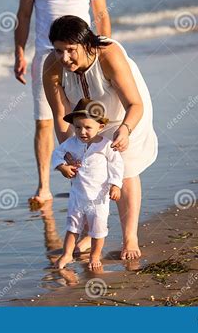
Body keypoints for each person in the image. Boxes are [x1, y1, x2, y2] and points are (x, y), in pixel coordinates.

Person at [43, 15, 158, 260]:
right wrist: (69, 153)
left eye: (71, 50)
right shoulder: (52, 66)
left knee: (123, 168)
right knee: (86, 173)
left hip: (125, 113)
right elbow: (61, 114)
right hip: (84, 119)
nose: (64, 58)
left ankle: (130, 237)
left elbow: (134, 103)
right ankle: (89, 234)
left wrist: (125, 130)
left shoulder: (109, 55)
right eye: (58, 50)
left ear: (86, 44)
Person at [14, 0, 111, 207]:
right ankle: (44, 187)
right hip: (46, 55)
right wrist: (19, 52)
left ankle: (89, 176)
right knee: (44, 121)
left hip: (81, 56)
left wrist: (103, 54)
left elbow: (101, 14)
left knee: (85, 119)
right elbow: (23, 15)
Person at [52, 99, 123, 270]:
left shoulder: (106, 145)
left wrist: (115, 185)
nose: (82, 132)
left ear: (100, 126)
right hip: (77, 195)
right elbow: (56, 154)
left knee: (98, 229)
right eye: (77, 127)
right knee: (72, 227)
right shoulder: (70, 144)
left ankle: (95, 256)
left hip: (99, 198)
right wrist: (62, 167)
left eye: (87, 127)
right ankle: (67, 254)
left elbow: (116, 164)